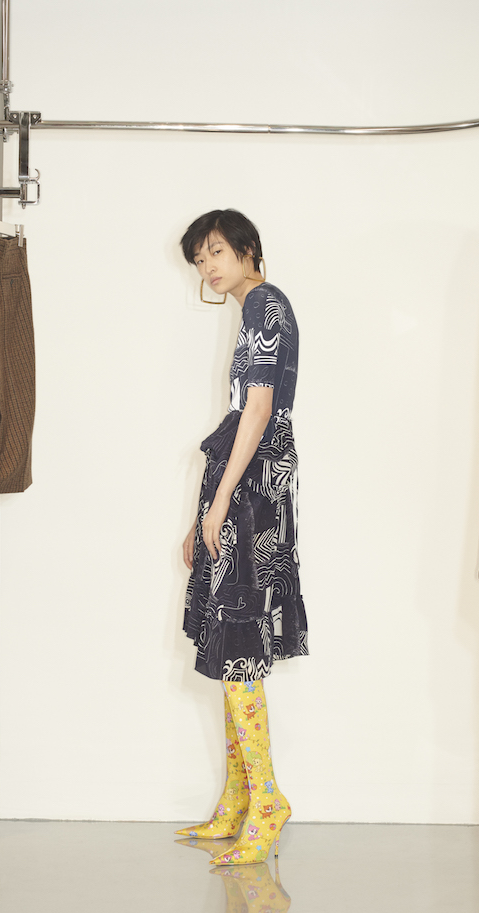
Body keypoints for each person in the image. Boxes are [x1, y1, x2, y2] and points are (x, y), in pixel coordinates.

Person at [176, 209, 308, 866]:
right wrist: (203, 512)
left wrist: (223, 500)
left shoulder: (264, 304)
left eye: (217, 252)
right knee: (231, 643)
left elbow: (257, 410)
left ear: (248, 249)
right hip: (245, 485)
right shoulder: (255, 307)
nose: (208, 267)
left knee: (239, 644)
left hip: (252, 491)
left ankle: (267, 801)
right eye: (200, 259)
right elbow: (245, 418)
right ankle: (238, 801)